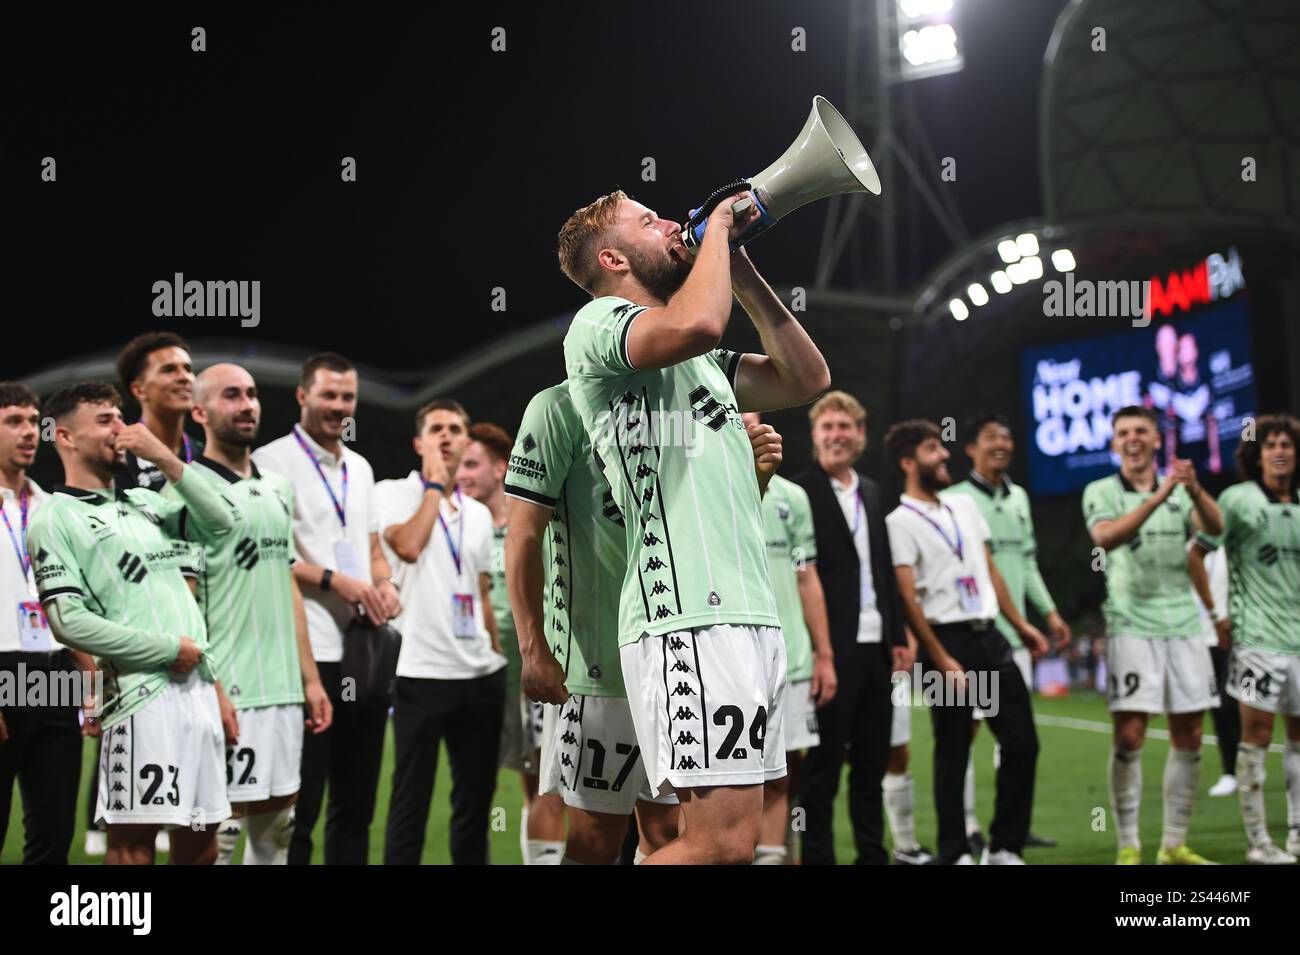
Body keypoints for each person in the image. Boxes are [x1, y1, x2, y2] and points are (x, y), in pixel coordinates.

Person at [557, 187, 830, 863]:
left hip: (744, 617)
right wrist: (718, 235)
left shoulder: (702, 364)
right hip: (686, 615)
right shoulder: (597, 322)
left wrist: (741, 269)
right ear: (614, 258)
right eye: (649, 221)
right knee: (721, 845)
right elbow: (700, 323)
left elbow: (806, 378)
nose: (672, 224)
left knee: (720, 840)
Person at [28, 382, 237, 864]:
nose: (120, 429)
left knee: (203, 845)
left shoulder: (145, 503)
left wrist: (164, 457)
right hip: (141, 696)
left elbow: (224, 520)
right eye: (104, 420)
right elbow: (68, 621)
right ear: (64, 436)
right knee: (132, 846)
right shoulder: (54, 519)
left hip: (198, 688)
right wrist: (167, 650)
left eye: (120, 418)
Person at [504, 383, 689, 864]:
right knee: (594, 840)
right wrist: (533, 649)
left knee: (669, 834)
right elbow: (522, 536)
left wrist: (758, 480)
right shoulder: (557, 407)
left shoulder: (673, 406)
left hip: (670, 663)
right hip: (595, 672)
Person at [253, 353, 400, 865]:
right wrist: (339, 581)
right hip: (307, 652)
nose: (340, 406)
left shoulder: (360, 467)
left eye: (347, 396)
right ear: (303, 396)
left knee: (356, 806)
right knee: (300, 806)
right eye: (329, 395)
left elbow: (374, 549)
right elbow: (269, 557)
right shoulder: (270, 462)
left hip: (363, 651)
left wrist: (385, 584)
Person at [884, 419, 1048, 865]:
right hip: (946, 642)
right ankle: (955, 852)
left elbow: (989, 570)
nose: (945, 455)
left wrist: (1021, 624)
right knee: (953, 750)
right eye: (932, 449)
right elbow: (907, 598)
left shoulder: (964, 507)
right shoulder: (899, 522)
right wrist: (940, 658)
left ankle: (1005, 846)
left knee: (1022, 743)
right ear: (908, 462)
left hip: (989, 637)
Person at [188, 364, 333, 865]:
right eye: (231, 395)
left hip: (283, 689)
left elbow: (286, 582)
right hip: (229, 687)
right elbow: (183, 602)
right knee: (217, 834)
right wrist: (211, 686)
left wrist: (310, 679)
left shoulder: (277, 487)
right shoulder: (186, 491)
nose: (247, 404)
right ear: (199, 411)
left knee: (279, 830)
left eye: (250, 394)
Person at [1082, 405, 1223, 865]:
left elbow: (1215, 530)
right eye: (1123, 432)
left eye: (1141, 430)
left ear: (1157, 439)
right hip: (1131, 625)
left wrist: (1194, 490)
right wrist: (1161, 496)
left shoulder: (1180, 491)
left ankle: (1173, 844)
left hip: (1183, 624)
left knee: (1190, 734)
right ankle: (1128, 845)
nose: (1133, 439)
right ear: (1114, 442)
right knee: (1129, 735)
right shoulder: (1101, 490)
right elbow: (1106, 538)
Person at [791, 392, 918, 865]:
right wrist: (816, 650)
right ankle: (818, 859)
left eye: (845, 426)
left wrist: (897, 636)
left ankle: (872, 857)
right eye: (828, 427)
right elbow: (799, 577)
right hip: (829, 651)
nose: (836, 435)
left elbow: (882, 569)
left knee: (870, 767)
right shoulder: (799, 491)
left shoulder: (872, 491)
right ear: (814, 435)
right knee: (822, 772)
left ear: (860, 435)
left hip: (876, 649)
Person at [378, 399, 506, 865]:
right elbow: (409, 547)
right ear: (419, 443)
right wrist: (434, 487)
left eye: (456, 428)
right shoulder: (392, 493)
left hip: (481, 675)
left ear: (467, 440)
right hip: (420, 672)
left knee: (475, 807)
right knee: (410, 804)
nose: (447, 436)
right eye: (436, 429)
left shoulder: (477, 513)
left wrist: (496, 650)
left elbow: (481, 591)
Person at [942, 413, 1070, 852]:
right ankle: (967, 825)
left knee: (1013, 737)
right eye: (991, 437)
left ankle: (1009, 826)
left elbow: (1028, 563)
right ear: (970, 448)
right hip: (971, 637)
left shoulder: (1019, 499)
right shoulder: (955, 499)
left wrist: (1049, 613)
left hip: (1015, 639)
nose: (1001, 444)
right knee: (965, 734)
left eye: (1007, 437)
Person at [1189, 413, 1300, 864]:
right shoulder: (1237, 500)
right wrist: (1215, 614)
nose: (1279, 451)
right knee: (1255, 738)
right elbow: (1197, 553)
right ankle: (1258, 842)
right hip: (1257, 641)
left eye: (1287, 444)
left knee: (1298, 739)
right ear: (1256, 455)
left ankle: (1296, 835)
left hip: (1299, 642)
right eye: (1270, 445)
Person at [458, 420, 566, 864]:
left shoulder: (534, 524)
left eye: (471, 464)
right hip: (484, 676)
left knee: (545, 781)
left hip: (536, 669)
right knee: (506, 783)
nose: (461, 474)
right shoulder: (462, 527)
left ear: (500, 468)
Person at [742, 411, 837, 864]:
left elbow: (806, 576)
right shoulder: (702, 490)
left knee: (781, 776)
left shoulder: (792, 498)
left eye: (754, 418)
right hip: (730, 658)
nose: (748, 427)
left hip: (791, 658)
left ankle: (777, 855)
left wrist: (824, 654)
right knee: (728, 781)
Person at [0, 382, 85, 864]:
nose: (30, 432)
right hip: (2, 669)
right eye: (14, 421)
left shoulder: (52, 507)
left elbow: (73, 600)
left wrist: (90, 677)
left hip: (55, 669)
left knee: (54, 834)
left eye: (34, 421)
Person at [114, 332, 203, 492]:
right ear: (139, 390)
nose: (185, 377)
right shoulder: (118, 455)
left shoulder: (205, 454)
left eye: (188, 369)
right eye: (169, 370)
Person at [1187, 544, 1240, 798]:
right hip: (1202, 639)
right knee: (1216, 707)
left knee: (1235, 702)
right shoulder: (1188, 549)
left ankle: (1250, 760)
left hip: (1234, 636)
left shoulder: (1232, 544)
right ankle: (1230, 771)